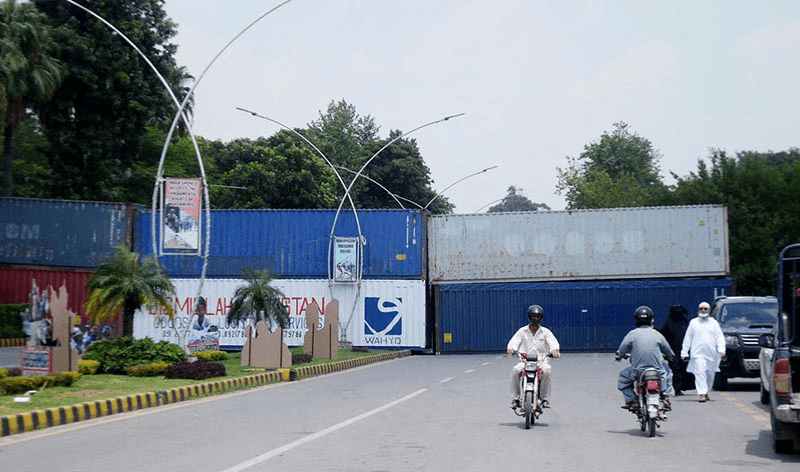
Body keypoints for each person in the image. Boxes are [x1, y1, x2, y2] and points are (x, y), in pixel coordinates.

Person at [616, 306, 675, 410]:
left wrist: (619, 356)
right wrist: (670, 356)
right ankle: (666, 397)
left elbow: (623, 348)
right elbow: (667, 349)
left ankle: (632, 400)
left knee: (623, 378)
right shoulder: (657, 334)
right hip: (657, 371)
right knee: (668, 373)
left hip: (637, 371)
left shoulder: (632, 334)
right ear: (651, 319)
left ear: (636, 319)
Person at [506, 304, 561, 409]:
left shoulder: (546, 332)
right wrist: (511, 349)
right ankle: (516, 399)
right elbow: (514, 341)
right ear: (529, 317)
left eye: (538, 317)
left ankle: (544, 399)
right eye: (533, 316)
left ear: (541, 318)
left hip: (541, 361)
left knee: (547, 371)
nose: (535, 319)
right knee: (515, 371)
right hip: (524, 361)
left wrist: (555, 351)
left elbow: (553, 342)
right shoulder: (522, 331)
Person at [681, 301, 726, 402]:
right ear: (698, 310)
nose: (703, 310)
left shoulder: (714, 323)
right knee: (700, 373)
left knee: (710, 374)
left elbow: (720, 337)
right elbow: (688, 338)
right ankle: (702, 393)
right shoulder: (693, 323)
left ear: (709, 311)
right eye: (701, 309)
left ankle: (706, 391)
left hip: (712, 354)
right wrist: (684, 352)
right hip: (697, 354)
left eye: (705, 309)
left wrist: (721, 350)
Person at [658, 303, 692, 395]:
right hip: (673, 350)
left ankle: (681, 387)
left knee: (684, 369)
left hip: (685, 350)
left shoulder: (685, 322)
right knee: (675, 369)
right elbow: (663, 334)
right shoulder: (669, 322)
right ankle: (676, 388)